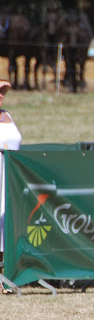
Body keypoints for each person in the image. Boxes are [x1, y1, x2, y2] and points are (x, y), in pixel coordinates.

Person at [0, 79, 21, 295]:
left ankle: (4, 278)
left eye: (3, 91)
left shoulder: (7, 115)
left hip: (10, 178)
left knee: (6, 227)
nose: (0, 95)